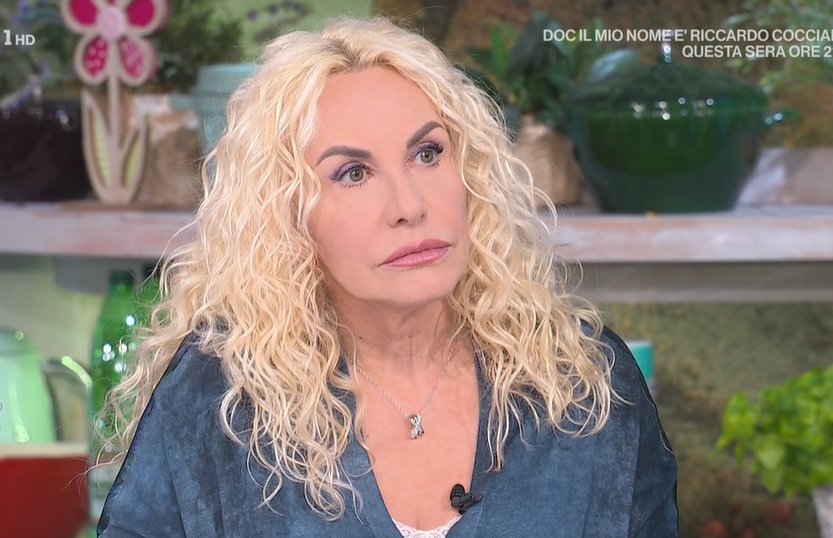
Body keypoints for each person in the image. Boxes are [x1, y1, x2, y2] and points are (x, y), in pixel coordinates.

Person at [97, 16, 678, 537]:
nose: (409, 205)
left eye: (427, 154)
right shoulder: (216, 401)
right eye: (353, 173)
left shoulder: (587, 385)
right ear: (288, 214)